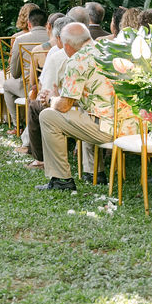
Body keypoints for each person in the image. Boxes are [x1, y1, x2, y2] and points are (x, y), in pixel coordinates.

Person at [37, 23, 126, 190]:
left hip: (108, 129)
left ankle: (61, 180)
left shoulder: (78, 60)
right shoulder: (109, 49)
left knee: (48, 116)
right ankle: (90, 172)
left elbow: (63, 106)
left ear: (67, 46)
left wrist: (51, 99)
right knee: (83, 112)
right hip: (132, 126)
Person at [23, 15, 73, 168]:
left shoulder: (56, 54)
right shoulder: (91, 51)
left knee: (34, 106)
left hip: (63, 104)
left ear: (58, 37)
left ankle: (40, 158)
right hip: (85, 106)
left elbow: (46, 87)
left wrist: (44, 97)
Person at [2, 8, 49, 125]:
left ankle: (17, 124)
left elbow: (15, 73)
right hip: (50, 87)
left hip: (30, 87)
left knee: (6, 85)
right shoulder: (54, 40)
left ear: (29, 24)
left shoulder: (20, 39)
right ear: (47, 24)